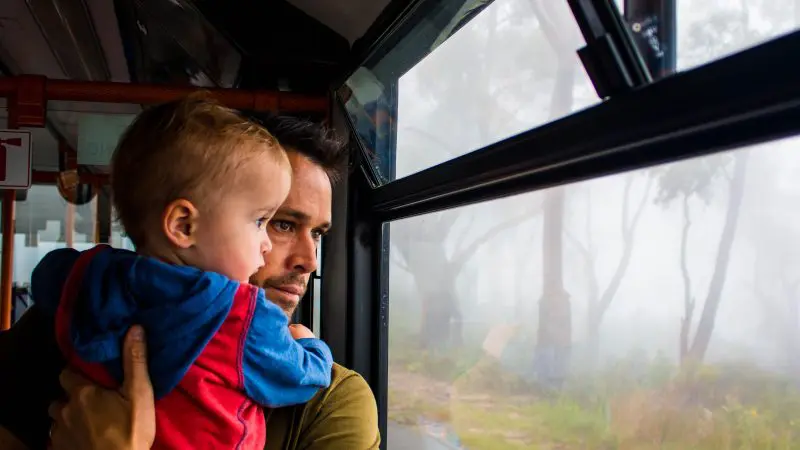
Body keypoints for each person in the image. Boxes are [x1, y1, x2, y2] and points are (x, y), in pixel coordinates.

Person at [0, 112, 381, 450]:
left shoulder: (333, 403)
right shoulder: (54, 328)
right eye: (277, 223)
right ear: (185, 225)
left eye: (318, 234)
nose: (309, 261)